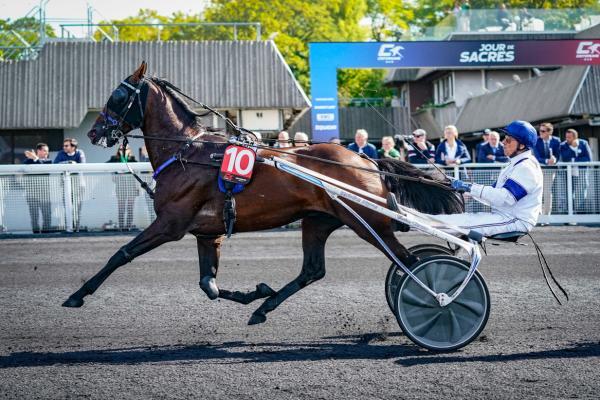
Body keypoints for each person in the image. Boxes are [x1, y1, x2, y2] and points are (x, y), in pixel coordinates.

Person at [429, 120, 542, 237]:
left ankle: (418, 222)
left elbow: (504, 198)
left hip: (515, 220)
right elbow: (492, 194)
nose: (503, 142)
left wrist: (469, 187)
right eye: (504, 138)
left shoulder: (526, 167)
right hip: (505, 216)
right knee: (460, 219)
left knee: (453, 223)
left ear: (522, 145)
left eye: (508, 139)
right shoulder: (515, 164)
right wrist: (467, 191)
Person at [55, 138, 86, 231]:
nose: (64, 147)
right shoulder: (61, 153)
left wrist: (74, 164)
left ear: (73, 147)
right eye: (64, 145)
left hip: (78, 184)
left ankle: (76, 228)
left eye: (66, 145)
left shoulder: (80, 153)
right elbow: (55, 164)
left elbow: (82, 165)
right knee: (67, 205)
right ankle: (69, 227)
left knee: (77, 206)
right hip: (65, 184)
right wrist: (69, 163)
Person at [559, 128, 593, 213]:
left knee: (581, 193)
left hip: (581, 172)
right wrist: (572, 148)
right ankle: (568, 212)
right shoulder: (563, 145)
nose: (567, 139)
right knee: (569, 192)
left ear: (575, 137)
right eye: (566, 137)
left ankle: (579, 211)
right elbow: (564, 157)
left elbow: (588, 158)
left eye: (569, 137)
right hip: (568, 174)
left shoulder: (583, 143)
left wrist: (574, 160)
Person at [107, 144, 139, 230]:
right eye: (121, 149)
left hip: (131, 186)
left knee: (130, 207)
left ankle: (128, 226)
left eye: (125, 149)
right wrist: (121, 155)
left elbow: (137, 169)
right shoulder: (114, 159)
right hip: (120, 186)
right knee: (121, 208)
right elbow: (106, 165)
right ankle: (121, 226)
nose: (123, 150)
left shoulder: (132, 160)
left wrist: (126, 156)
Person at [23, 143, 53, 233]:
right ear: (38, 151)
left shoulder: (49, 161)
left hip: (45, 194)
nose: (47, 153)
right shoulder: (28, 161)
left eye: (47, 151)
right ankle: (35, 234)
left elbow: (44, 170)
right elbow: (23, 169)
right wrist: (32, 158)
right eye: (44, 150)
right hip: (31, 194)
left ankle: (46, 234)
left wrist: (36, 158)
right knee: (34, 216)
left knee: (47, 215)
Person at [533, 123, 560, 218]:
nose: (540, 133)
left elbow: (558, 155)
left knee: (547, 191)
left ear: (550, 132)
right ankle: (539, 215)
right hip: (538, 170)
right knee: (538, 191)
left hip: (550, 170)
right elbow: (536, 156)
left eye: (543, 131)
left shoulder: (556, 141)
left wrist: (555, 159)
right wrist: (547, 161)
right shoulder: (536, 140)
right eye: (540, 130)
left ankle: (546, 216)